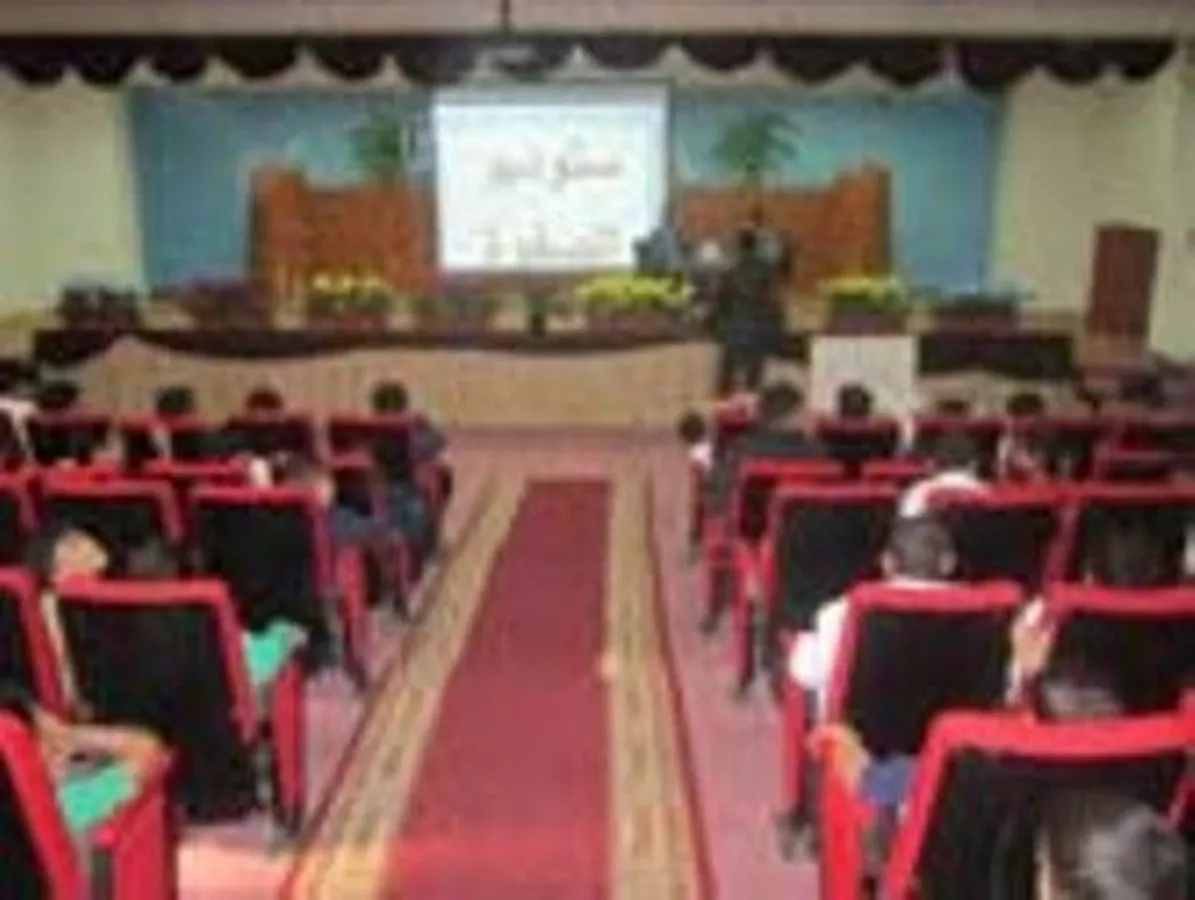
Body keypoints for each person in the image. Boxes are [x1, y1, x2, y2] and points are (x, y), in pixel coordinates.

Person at [787, 516, 958, 718]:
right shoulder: (985, 615)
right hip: (956, 736)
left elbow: (804, 674)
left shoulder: (839, 613)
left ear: (887, 562)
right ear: (949, 563)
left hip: (856, 736)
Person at [711, 227, 783, 396]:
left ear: (739, 245)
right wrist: (776, 324)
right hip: (758, 324)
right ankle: (751, 398)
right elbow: (772, 298)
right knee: (755, 369)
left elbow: (721, 298)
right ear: (755, 245)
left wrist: (716, 322)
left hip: (735, 323)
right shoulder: (766, 269)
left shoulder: (730, 269)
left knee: (728, 368)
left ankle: (725, 398)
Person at [899, 429, 987, 519]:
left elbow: (906, 522)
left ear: (934, 462)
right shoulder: (985, 492)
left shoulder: (918, 492)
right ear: (974, 463)